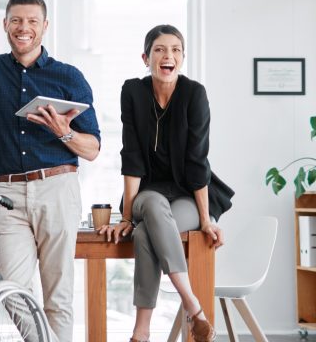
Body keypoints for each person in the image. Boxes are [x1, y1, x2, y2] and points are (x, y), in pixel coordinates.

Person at [0, 0, 100, 341]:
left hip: (57, 186)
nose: (23, 28)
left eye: (32, 22)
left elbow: (93, 148)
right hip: (7, 191)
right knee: (10, 288)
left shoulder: (69, 77)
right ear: (5, 24)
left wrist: (64, 132)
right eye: (16, 21)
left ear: (45, 27)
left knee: (59, 294)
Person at [99, 25, 233, 342]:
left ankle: (140, 332)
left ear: (182, 58)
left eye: (175, 49)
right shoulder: (132, 91)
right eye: (159, 49)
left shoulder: (194, 94)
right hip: (147, 194)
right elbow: (131, 157)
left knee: (148, 232)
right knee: (154, 208)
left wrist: (204, 219)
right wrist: (128, 217)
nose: (167, 55)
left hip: (188, 193)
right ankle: (193, 305)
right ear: (146, 58)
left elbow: (197, 162)